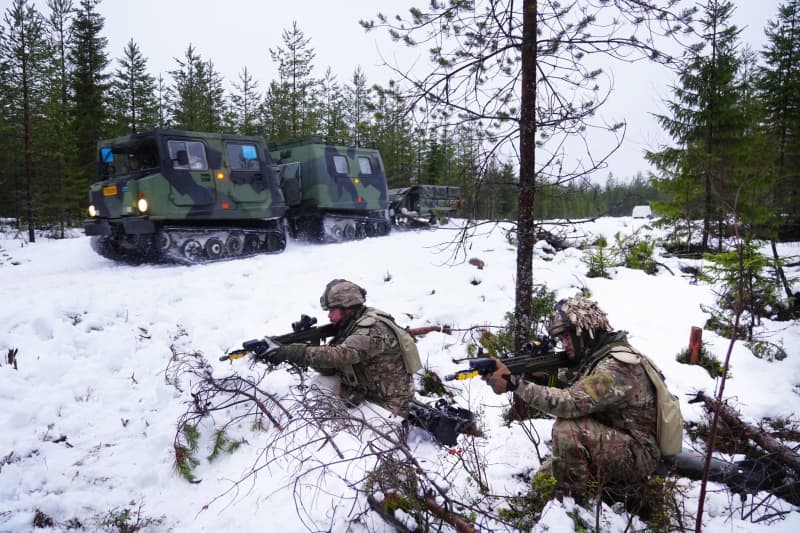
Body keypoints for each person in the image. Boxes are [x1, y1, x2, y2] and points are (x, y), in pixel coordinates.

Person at [483, 295, 661, 497]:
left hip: (639, 454)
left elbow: (571, 403)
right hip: (616, 438)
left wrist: (516, 385)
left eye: (568, 337)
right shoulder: (597, 358)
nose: (564, 344)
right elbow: (571, 387)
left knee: (567, 431)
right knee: (543, 481)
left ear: (584, 333)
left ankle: (574, 504)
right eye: (562, 339)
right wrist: (542, 378)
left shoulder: (617, 368)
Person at [268, 279, 419, 417]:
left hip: (391, 407)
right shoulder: (352, 323)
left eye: (332, 310)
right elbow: (330, 369)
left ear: (347, 307)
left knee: (353, 434)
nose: (329, 316)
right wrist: (309, 347)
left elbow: (340, 356)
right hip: (368, 394)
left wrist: (295, 352)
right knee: (319, 383)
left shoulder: (372, 328)